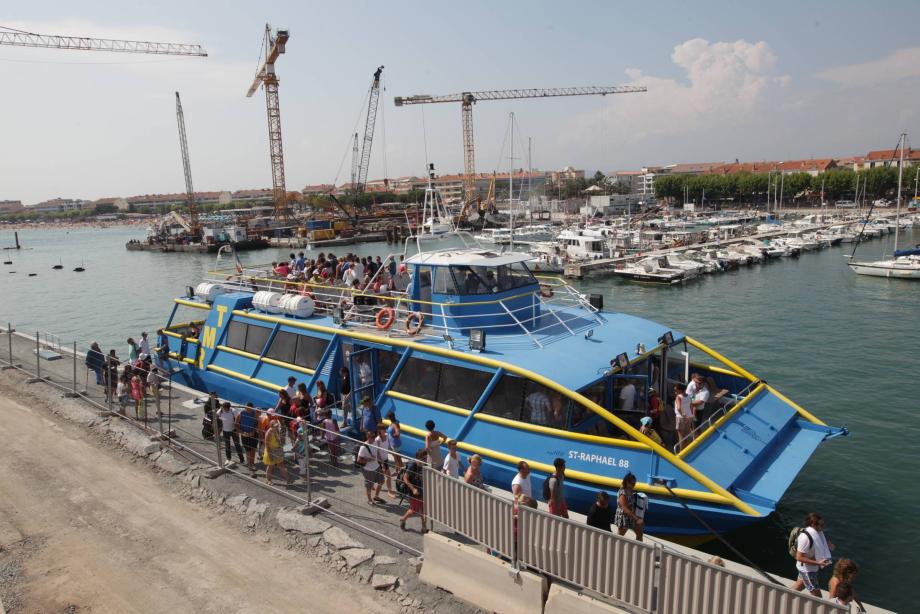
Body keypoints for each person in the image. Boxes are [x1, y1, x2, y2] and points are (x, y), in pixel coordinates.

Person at [791, 512, 834, 597]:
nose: (824, 527)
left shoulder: (818, 534)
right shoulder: (805, 538)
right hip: (807, 570)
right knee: (818, 598)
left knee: (800, 585)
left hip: (810, 569)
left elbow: (816, 549)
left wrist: (828, 547)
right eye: (821, 525)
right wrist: (818, 563)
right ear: (813, 525)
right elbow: (799, 557)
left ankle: (785, 596)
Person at [400, 448, 428, 533]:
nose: (425, 460)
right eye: (423, 458)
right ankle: (403, 519)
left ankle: (423, 528)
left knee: (425, 511)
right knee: (413, 510)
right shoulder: (413, 465)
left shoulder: (425, 466)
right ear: (418, 458)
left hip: (423, 491)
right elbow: (405, 478)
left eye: (426, 458)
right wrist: (413, 489)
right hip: (414, 492)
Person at [614, 473, 645, 541]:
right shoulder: (623, 492)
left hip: (631, 516)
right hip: (623, 517)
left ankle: (639, 549)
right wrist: (637, 519)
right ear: (627, 482)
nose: (634, 485)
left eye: (634, 483)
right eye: (632, 483)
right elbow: (625, 509)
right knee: (620, 536)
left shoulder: (631, 491)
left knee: (639, 533)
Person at [356, 430, 384, 505]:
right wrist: (369, 460)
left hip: (377, 466)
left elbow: (377, 452)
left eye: (374, 436)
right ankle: (369, 500)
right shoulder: (363, 447)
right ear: (367, 437)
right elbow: (358, 460)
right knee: (369, 486)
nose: (374, 438)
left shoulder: (375, 442)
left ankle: (376, 496)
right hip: (368, 470)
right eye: (372, 437)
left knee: (381, 481)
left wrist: (380, 460)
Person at [262, 419, 289, 486]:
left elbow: (278, 440)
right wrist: (270, 455)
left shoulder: (276, 430)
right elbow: (267, 445)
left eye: (277, 425)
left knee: (281, 465)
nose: (277, 427)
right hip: (271, 451)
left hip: (277, 451)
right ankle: (268, 480)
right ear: (271, 426)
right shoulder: (269, 432)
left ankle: (288, 479)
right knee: (270, 466)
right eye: (276, 426)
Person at [374, 423, 398, 498]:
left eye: (385, 428)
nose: (384, 430)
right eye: (383, 429)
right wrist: (382, 463)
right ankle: (389, 491)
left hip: (385, 459)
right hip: (379, 460)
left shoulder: (387, 436)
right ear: (379, 430)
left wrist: (394, 455)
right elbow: (377, 452)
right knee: (384, 477)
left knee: (387, 476)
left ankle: (389, 491)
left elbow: (389, 447)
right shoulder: (377, 439)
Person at [237, 402, 260, 475]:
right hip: (245, 435)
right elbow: (236, 425)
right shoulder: (240, 414)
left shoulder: (255, 413)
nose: (249, 411)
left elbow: (257, 423)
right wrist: (242, 432)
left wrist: (253, 431)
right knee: (248, 451)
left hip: (253, 435)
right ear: (245, 408)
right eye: (248, 409)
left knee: (253, 450)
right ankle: (250, 466)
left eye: (250, 409)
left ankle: (252, 463)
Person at [674, 383, 694, 452]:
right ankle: (686, 450)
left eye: (676, 390)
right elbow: (691, 406)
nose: (675, 392)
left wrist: (683, 415)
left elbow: (679, 408)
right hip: (689, 417)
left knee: (681, 436)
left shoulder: (678, 397)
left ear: (680, 390)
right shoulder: (689, 396)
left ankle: (681, 452)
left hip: (681, 418)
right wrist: (691, 416)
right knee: (686, 435)